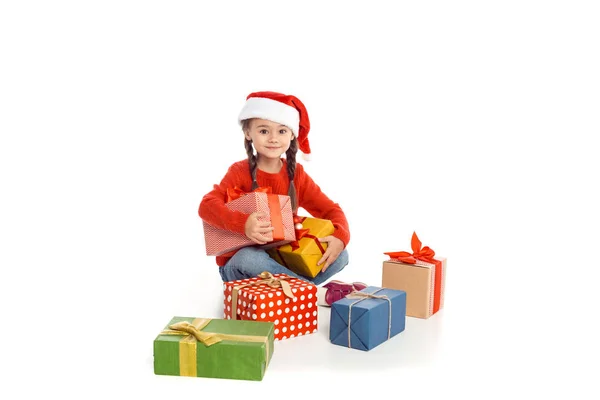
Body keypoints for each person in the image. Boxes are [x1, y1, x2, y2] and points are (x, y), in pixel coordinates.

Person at [198, 91, 350, 287]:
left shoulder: (296, 175)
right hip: (241, 268)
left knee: (341, 255)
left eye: (282, 131)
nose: (273, 138)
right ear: (248, 133)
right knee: (249, 257)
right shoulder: (239, 171)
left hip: (280, 262)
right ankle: (306, 291)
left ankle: (294, 289)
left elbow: (331, 210)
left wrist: (340, 237)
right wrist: (242, 224)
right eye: (263, 131)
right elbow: (206, 206)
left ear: (292, 134)